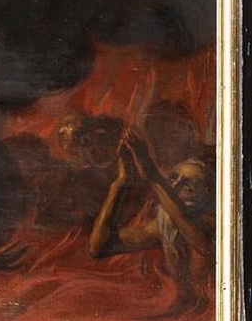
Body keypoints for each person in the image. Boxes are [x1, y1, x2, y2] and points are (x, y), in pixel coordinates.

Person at [89, 127, 214, 309]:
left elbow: (195, 235)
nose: (174, 187)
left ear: (205, 197)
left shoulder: (210, 226)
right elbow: (99, 247)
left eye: (188, 186)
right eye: (173, 179)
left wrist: (151, 172)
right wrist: (120, 182)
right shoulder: (163, 225)